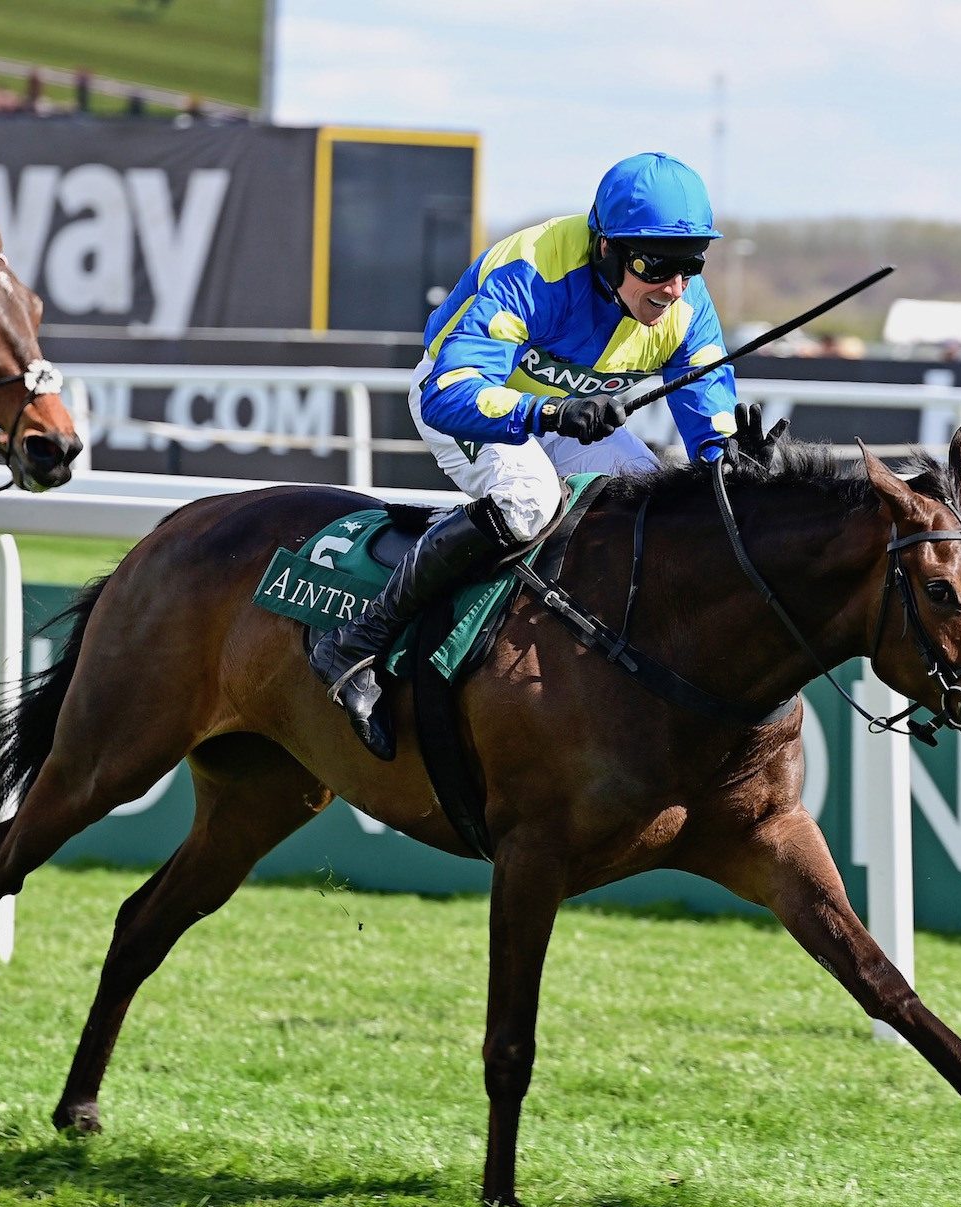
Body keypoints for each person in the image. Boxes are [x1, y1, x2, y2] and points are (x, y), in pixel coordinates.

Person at [309, 151, 740, 759]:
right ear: (606, 249)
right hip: (474, 399)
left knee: (658, 509)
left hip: (563, 414)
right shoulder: (533, 270)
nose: (673, 289)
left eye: (689, 267)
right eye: (655, 266)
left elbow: (710, 432)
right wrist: (547, 413)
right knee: (529, 498)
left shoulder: (685, 309)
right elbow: (447, 394)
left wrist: (736, 460)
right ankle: (357, 642)